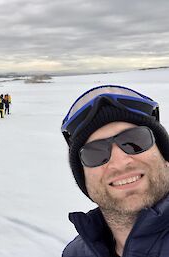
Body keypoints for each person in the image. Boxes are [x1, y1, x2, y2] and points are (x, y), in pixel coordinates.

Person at [61, 85, 169, 257]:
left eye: (135, 141)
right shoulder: (75, 253)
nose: (119, 163)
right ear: (84, 178)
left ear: (165, 158)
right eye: (95, 153)